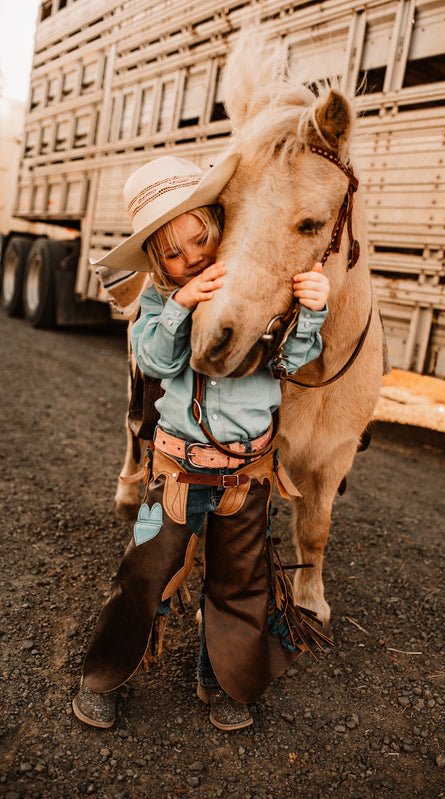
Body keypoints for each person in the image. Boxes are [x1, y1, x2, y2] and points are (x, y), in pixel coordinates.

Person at [73, 154, 330, 732]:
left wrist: (312, 310)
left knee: (240, 584)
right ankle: (107, 674)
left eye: (198, 240)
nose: (190, 259)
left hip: (245, 476)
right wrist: (182, 308)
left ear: (218, 229)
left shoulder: (263, 292)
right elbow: (156, 361)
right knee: (145, 576)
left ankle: (223, 679)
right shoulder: (162, 302)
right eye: (172, 252)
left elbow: (291, 360)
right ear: (157, 262)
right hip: (177, 474)